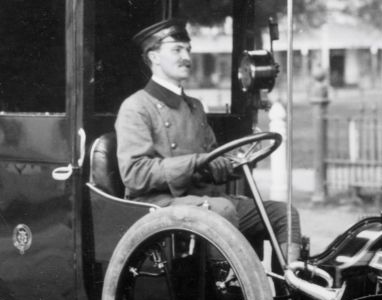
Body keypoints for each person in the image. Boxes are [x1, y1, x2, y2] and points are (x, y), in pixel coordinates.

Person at [115, 17, 301, 264]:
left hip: (203, 201)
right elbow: (135, 174)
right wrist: (196, 162)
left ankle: (289, 283)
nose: (186, 57)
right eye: (177, 50)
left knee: (283, 214)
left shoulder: (195, 106)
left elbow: (212, 157)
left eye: (188, 49)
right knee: (222, 210)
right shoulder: (136, 107)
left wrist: (233, 162)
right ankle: (228, 287)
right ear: (154, 57)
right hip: (159, 206)